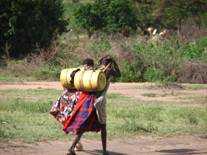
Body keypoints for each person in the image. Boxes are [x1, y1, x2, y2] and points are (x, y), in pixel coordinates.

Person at [64, 55, 121, 155]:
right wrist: (114, 63)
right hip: (99, 101)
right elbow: (119, 74)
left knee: (83, 126)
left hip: (88, 101)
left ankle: (71, 148)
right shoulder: (108, 71)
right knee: (103, 126)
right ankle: (104, 151)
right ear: (109, 63)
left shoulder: (94, 71)